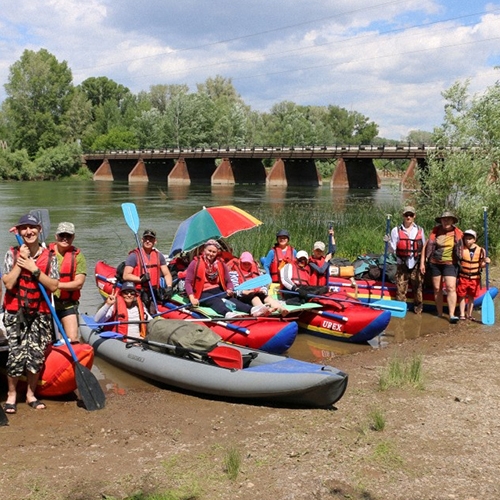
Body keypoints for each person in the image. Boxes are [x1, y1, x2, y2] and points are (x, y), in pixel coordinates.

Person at [2, 213, 59, 413]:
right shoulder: (12, 254)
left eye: (32, 227)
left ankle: (30, 394)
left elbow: (53, 286)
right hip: (16, 312)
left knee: (35, 356)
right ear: (18, 232)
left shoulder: (50, 256)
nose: (29, 231)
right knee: (16, 356)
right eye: (24, 228)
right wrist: (21, 262)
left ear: (39, 230)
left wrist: (34, 269)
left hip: (40, 313)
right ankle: (11, 395)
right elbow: (8, 283)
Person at [184, 239, 252, 318]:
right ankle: (227, 313)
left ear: (217, 253)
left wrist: (230, 288)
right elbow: (188, 282)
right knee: (215, 301)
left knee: (231, 300)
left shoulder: (220, 263)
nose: (211, 254)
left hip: (217, 290)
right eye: (209, 251)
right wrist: (192, 298)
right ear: (204, 250)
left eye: (214, 252)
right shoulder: (195, 263)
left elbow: (228, 281)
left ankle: (251, 309)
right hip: (201, 292)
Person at [422, 211, 463, 323]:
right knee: (437, 288)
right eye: (444, 219)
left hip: (450, 263)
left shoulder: (457, 233)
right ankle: (439, 313)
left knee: (450, 287)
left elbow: (466, 246)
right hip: (435, 263)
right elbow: (426, 247)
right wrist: (422, 263)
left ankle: (451, 314)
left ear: (453, 221)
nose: (446, 221)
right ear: (440, 221)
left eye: (448, 219)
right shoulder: (435, 232)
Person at [49, 222, 87, 342]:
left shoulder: (78, 256)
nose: (65, 238)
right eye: (62, 235)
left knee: (73, 338)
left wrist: (56, 285)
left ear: (73, 237)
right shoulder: (45, 252)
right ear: (56, 236)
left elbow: (78, 283)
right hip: (48, 303)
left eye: (68, 236)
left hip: (68, 304)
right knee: (49, 339)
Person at [385, 206, 426, 314]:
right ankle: (400, 311)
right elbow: (392, 249)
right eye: (406, 215)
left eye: (411, 215)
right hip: (402, 263)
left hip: (416, 263)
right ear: (403, 216)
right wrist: (387, 243)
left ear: (414, 216)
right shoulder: (396, 230)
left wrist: (422, 263)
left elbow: (423, 247)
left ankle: (418, 310)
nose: (408, 217)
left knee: (418, 287)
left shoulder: (420, 230)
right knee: (400, 289)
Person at [122, 229, 173, 312]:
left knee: (155, 309)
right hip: (139, 291)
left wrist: (169, 287)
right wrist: (141, 279)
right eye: (146, 238)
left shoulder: (158, 256)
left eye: (151, 239)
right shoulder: (134, 256)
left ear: (155, 241)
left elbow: (167, 274)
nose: (148, 241)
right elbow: (126, 275)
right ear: (142, 240)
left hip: (153, 291)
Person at [227, 251, 289, 316]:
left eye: (249, 264)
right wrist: (244, 291)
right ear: (240, 262)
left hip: (256, 292)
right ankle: (264, 310)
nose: (247, 266)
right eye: (244, 263)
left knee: (267, 297)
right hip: (243, 296)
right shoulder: (234, 273)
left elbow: (263, 284)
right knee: (254, 297)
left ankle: (282, 309)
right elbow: (234, 289)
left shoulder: (257, 272)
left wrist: (263, 290)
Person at [457, 229, 489, 320]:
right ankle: (462, 314)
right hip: (463, 277)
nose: (467, 240)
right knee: (462, 296)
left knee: (471, 296)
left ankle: (469, 314)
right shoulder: (461, 249)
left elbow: (481, 265)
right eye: (466, 238)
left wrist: (486, 262)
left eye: (470, 238)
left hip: (475, 278)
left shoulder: (481, 250)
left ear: (474, 240)